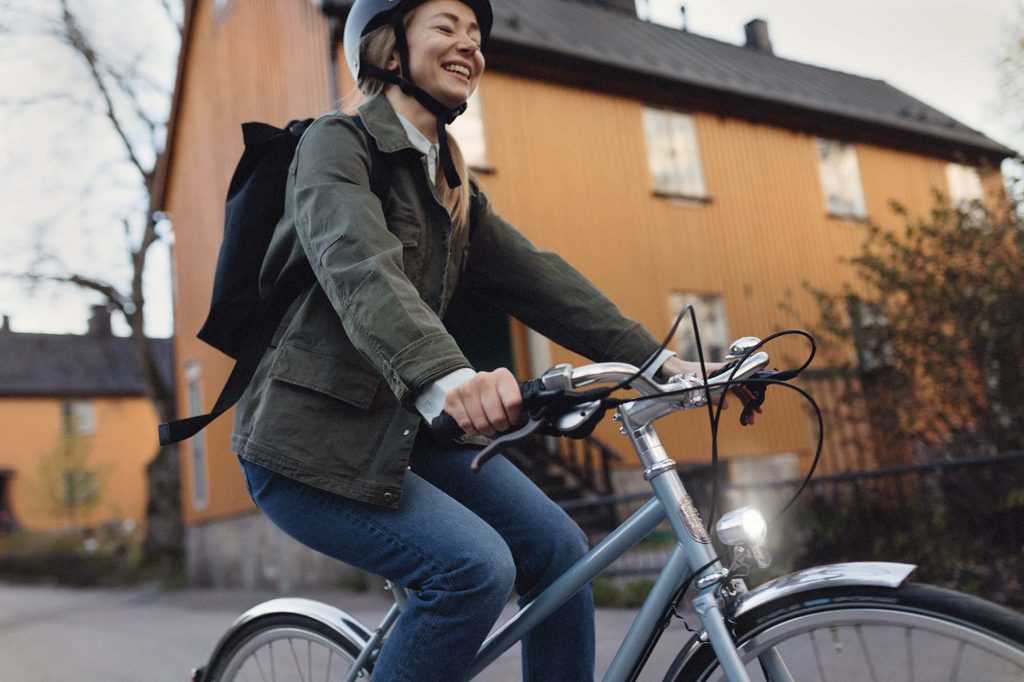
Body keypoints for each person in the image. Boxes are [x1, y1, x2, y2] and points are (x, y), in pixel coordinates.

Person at [231, 1, 747, 679]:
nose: (469, 46)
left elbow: (540, 279)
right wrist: (452, 378)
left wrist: (660, 361)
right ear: (389, 50)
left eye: (476, 35)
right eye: (446, 26)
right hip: (308, 444)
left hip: (407, 438)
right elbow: (359, 267)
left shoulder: (452, 184)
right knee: (472, 570)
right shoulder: (337, 143)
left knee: (561, 550)